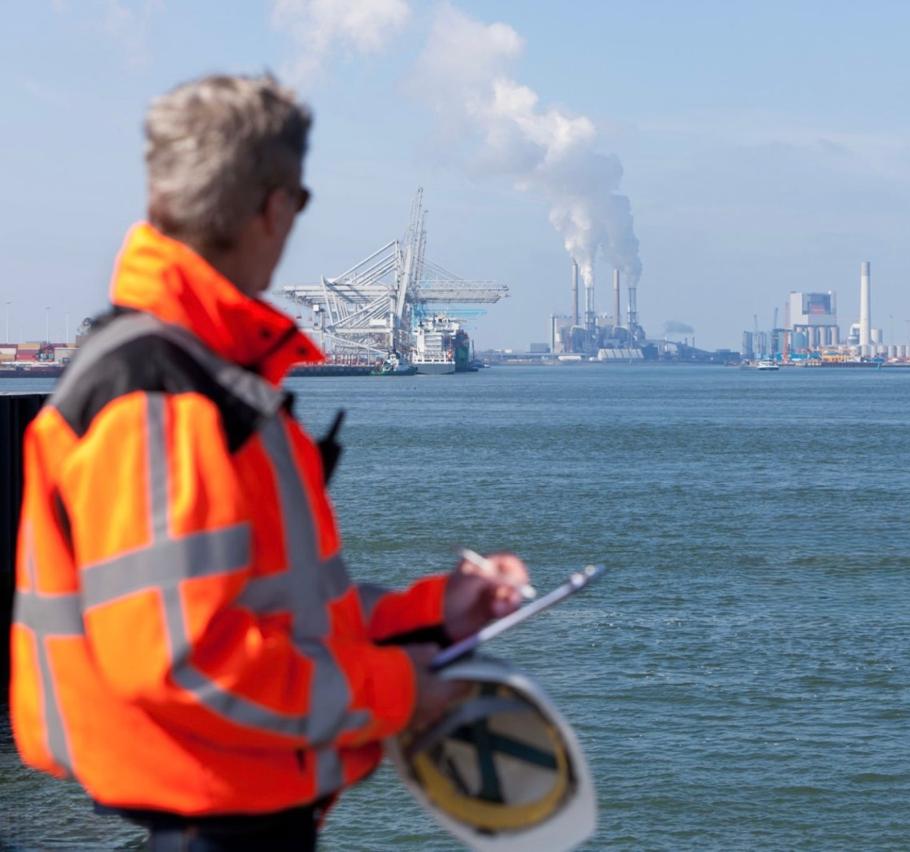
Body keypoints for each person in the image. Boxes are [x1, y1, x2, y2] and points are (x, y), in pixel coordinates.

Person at [8, 72, 529, 851]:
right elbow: (183, 662)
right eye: (301, 202)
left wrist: (430, 614)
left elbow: (273, 615)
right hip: (211, 823)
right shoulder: (163, 399)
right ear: (275, 208)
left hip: (236, 810)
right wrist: (398, 692)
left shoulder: (202, 380)